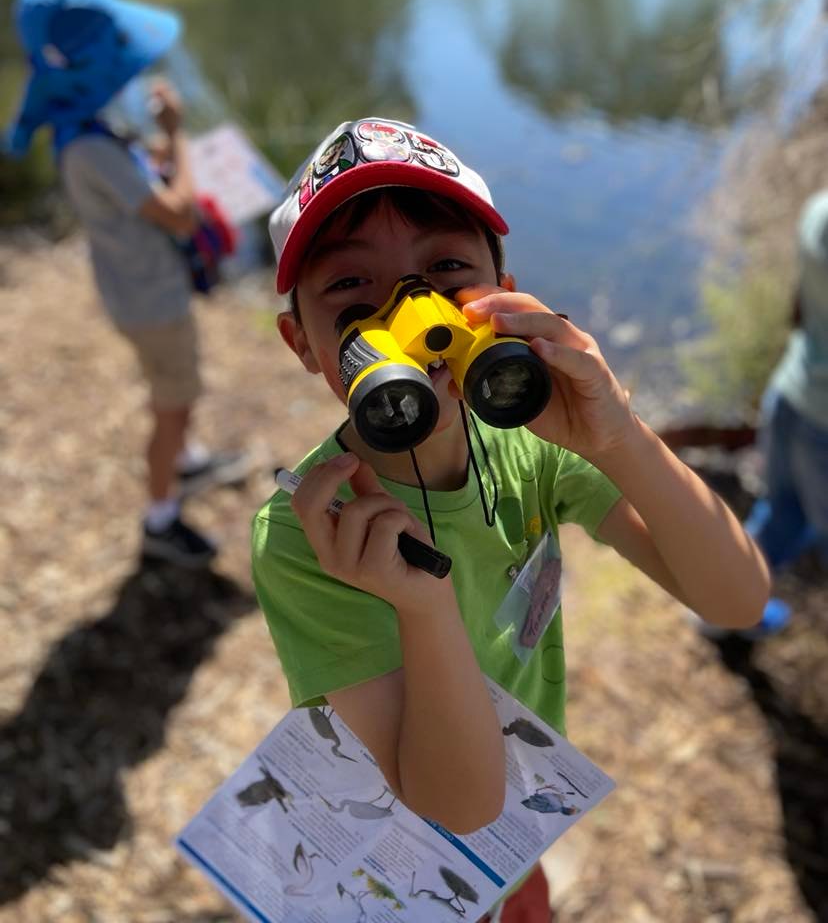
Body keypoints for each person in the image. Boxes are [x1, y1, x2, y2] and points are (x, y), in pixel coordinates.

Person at [252, 117, 770, 920]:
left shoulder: (532, 446)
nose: (410, 317)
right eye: (352, 292)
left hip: (514, 833)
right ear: (303, 344)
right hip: (402, 860)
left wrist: (621, 436)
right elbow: (454, 809)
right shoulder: (307, 537)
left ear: (505, 289)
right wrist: (419, 601)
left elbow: (736, 599)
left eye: (446, 272)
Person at [5, 0, 247, 567]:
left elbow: (130, 182)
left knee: (176, 395)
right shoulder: (90, 148)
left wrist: (158, 152)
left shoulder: (84, 132)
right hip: (152, 303)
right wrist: (178, 138)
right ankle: (160, 519)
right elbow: (181, 217)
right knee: (171, 403)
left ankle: (186, 461)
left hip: (137, 293)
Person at [704, 187, 828, 640]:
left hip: (791, 392)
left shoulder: (818, 210)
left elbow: (799, 308)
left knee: (778, 513)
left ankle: (721, 611)